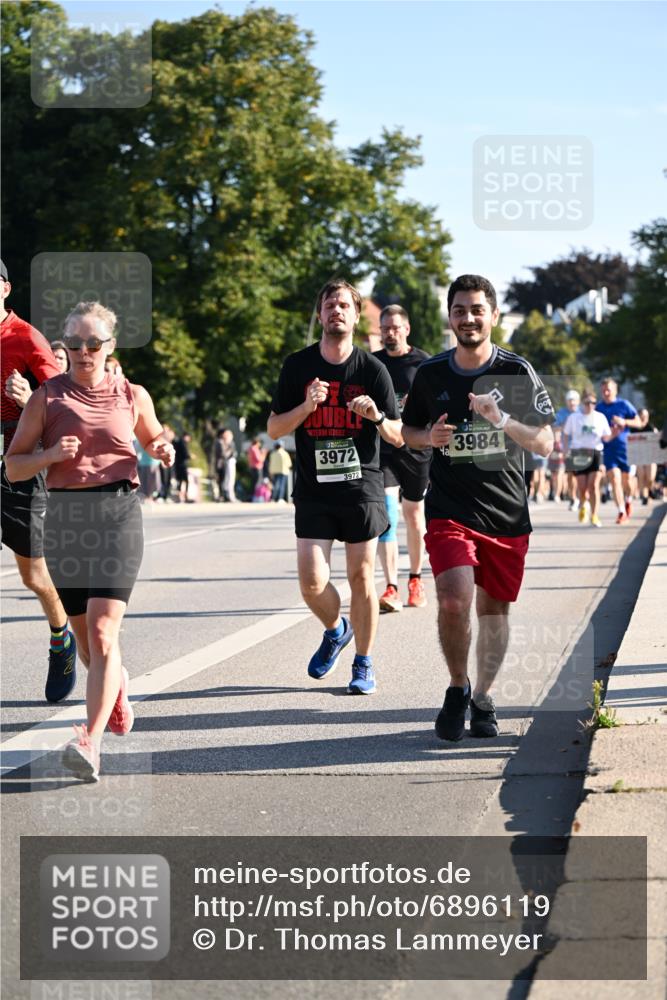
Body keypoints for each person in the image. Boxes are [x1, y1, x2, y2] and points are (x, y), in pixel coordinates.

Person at [5, 301, 174, 781]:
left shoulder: (131, 393)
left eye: (93, 344)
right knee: (87, 644)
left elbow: (155, 436)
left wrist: (161, 447)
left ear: (110, 346)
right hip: (65, 520)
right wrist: (52, 453)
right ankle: (116, 690)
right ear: (65, 348)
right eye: (74, 344)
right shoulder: (46, 399)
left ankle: (89, 740)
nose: (83, 352)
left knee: (103, 632)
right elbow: (13, 465)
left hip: (118, 513)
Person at [402, 274, 554, 741]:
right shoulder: (430, 374)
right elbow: (408, 433)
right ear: (449, 317)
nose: (468, 318)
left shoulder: (515, 371)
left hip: (506, 513)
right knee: (453, 598)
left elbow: (545, 443)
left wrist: (501, 418)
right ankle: (456, 686)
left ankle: (483, 696)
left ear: (492, 315)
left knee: (494, 612)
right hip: (450, 509)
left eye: (477, 310)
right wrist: (429, 438)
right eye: (460, 310)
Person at [267, 278, 402, 694]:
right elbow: (273, 428)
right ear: (321, 314)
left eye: (344, 304)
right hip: (313, 488)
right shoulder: (297, 366)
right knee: (310, 581)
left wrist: (377, 416)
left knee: (362, 578)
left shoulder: (372, 369)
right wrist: (307, 406)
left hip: (361, 486)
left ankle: (363, 663)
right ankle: (336, 628)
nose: (336, 311)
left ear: (357, 316)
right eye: (329, 305)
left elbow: (397, 435)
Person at [0, 258, 77, 703]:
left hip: (18, 458)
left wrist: (30, 398)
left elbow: (63, 399)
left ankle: (60, 634)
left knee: (32, 573)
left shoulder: (26, 336)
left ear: (6, 289)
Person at [372, 304, 430, 611]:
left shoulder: (423, 363)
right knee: (387, 515)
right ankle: (391, 586)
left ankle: (416, 579)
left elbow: (438, 406)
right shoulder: (372, 363)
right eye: (385, 329)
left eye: (395, 328)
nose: (389, 334)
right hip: (383, 449)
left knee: (414, 515)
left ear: (406, 329)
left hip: (416, 448)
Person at [563, 392, 615, 526]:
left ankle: (594, 515)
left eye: (593, 403)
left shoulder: (600, 417)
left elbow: (606, 437)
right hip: (578, 453)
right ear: (582, 404)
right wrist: (565, 451)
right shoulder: (574, 418)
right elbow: (566, 434)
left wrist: (616, 432)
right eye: (587, 403)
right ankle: (583, 504)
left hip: (596, 453)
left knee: (593, 485)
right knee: (582, 488)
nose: (590, 406)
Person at [596, 378, 643, 524]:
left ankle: (628, 500)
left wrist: (625, 422)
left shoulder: (624, 405)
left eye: (609, 389)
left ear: (615, 390)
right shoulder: (598, 409)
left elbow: (639, 422)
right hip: (609, 450)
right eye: (603, 389)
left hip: (626, 449)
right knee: (615, 480)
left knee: (627, 481)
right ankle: (621, 511)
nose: (606, 392)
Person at [557, 390, 582, 509]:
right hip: (568, 447)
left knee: (582, 475)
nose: (572, 403)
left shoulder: (583, 411)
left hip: (583, 447)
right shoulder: (562, 413)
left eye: (574, 400)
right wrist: (565, 425)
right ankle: (573, 498)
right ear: (566, 402)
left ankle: (582, 497)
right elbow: (553, 428)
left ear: (578, 401)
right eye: (569, 400)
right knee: (571, 474)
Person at [636, 408, 658, 505]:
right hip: (638, 456)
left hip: (650, 456)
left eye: (646, 416)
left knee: (650, 477)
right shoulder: (634, 429)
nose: (644, 418)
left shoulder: (651, 428)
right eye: (642, 416)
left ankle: (650, 489)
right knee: (641, 476)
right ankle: (644, 496)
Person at [173, 431, 191, 502]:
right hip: (182, 464)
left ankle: (179, 496)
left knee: (179, 480)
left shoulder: (177, 442)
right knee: (186, 481)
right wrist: (190, 456)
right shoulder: (183, 443)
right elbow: (185, 454)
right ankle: (185, 496)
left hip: (177, 464)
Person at [221, 428, 238, 502]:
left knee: (230, 478)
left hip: (231, 461)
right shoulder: (227, 443)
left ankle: (229, 495)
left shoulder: (229, 443)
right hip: (229, 461)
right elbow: (226, 453)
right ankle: (229, 495)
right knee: (230, 478)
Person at [213, 428, 227, 501]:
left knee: (221, 480)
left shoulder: (218, 441)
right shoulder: (220, 442)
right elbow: (222, 453)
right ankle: (221, 495)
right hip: (220, 463)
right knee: (221, 480)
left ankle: (221, 495)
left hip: (219, 463)